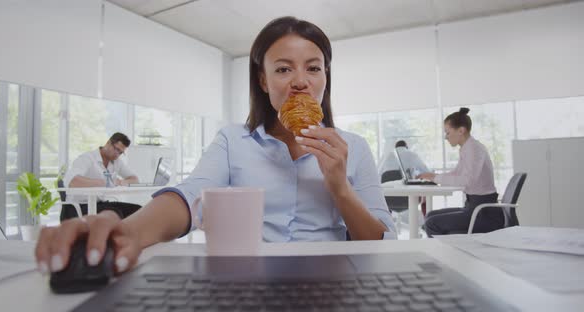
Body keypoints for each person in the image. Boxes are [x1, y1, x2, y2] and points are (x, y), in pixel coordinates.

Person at [36, 17, 396, 275]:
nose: (300, 81)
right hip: (250, 279)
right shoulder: (233, 141)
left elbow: (380, 242)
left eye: (313, 68)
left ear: (325, 78)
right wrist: (129, 231)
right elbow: (191, 196)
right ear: (264, 80)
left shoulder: (354, 148)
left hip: (334, 280)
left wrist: (339, 188)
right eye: (284, 69)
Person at [417, 108, 501, 237]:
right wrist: (433, 177)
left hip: (483, 212)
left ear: (461, 130)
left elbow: (468, 180)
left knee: (431, 223)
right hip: (474, 207)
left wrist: (436, 178)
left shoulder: (473, 149)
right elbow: (457, 173)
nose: (446, 137)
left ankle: (445, 255)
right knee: (430, 216)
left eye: (448, 133)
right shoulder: (467, 148)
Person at [60, 132, 141, 221]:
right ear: (108, 143)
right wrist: (106, 183)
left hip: (99, 204)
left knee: (137, 210)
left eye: (121, 152)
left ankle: (130, 235)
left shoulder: (116, 162)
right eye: (116, 149)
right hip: (78, 206)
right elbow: (72, 181)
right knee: (115, 213)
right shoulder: (87, 158)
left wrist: (121, 182)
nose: (117, 154)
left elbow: (135, 179)